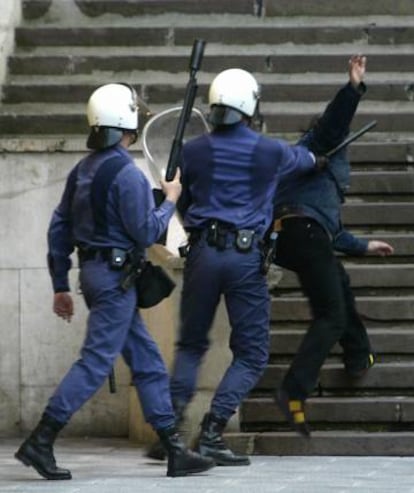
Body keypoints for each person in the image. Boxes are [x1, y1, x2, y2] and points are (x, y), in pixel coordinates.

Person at [14, 83, 215, 479]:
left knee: (147, 361)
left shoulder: (81, 171)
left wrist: (59, 283)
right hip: (116, 278)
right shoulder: (127, 173)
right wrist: (171, 198)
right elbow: (144, 232)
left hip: (97, 276)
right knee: (95, 362)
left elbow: (59, 230)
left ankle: (174, 449)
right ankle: (40, 440)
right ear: (127, 123)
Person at [146, 68, 319, 466]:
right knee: (253, 353)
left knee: (190, 345)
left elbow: (184, 204)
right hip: (243, 257)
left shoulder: (191, 151)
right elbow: (305, 160)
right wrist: (318, 157)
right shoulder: (267, 150)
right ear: (249, 106)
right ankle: (211, 431)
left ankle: (170, 432)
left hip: (202, 252)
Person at [271, 55, 394, 437]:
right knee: (331, 315)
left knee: (338, 283)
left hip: (304, 236)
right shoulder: (315, 145)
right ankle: (293, 389)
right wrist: (353, 88)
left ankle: (359, 354)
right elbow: (333, 124)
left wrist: (365, 245)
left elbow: (334, 233)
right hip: (300, 232)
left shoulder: (318, 180)